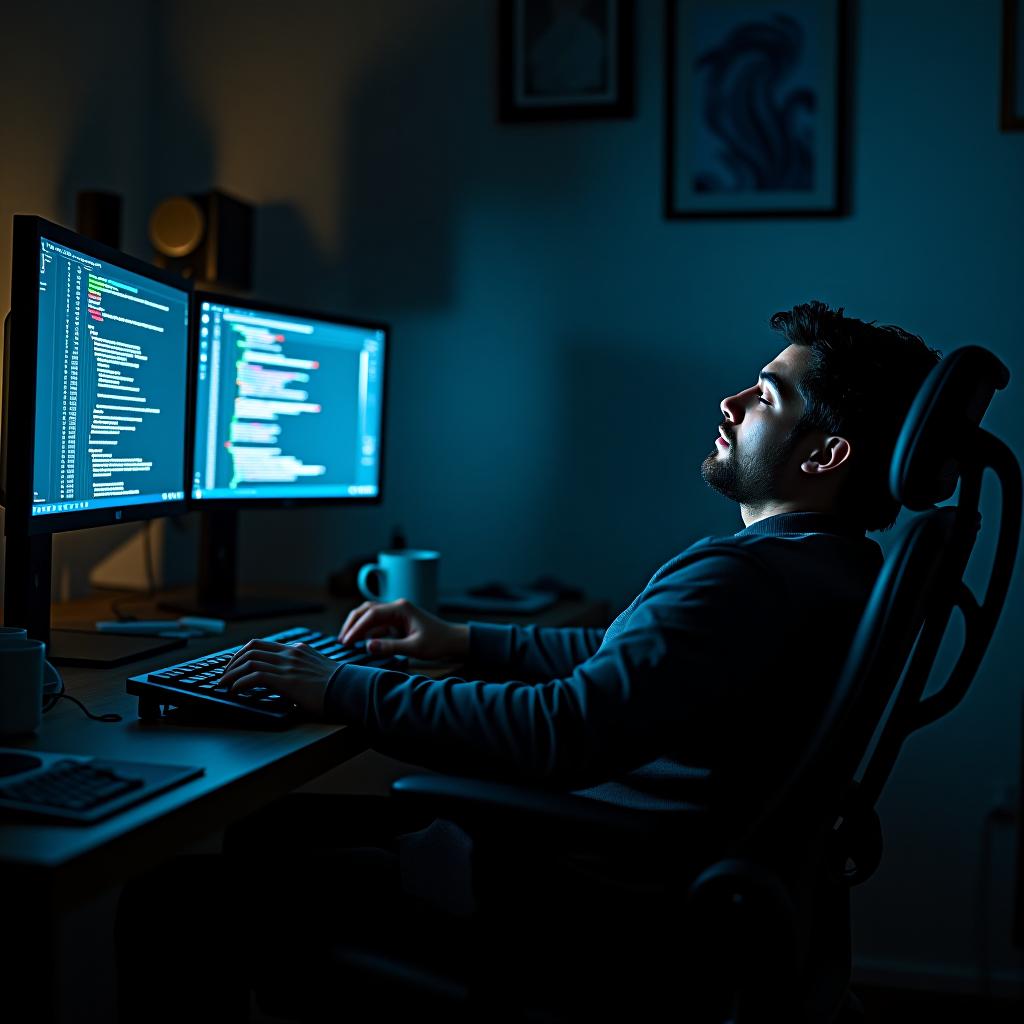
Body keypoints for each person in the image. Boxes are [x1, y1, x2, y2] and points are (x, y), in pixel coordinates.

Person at [116, 301, 940, 1021]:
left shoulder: (747, 575)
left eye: (765, 396)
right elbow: (640, 662)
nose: (730, 402)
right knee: (276, 829)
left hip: (586, 903)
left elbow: (566, 729)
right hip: (665, 883)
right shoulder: (834, 568)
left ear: (824, 455)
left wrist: (340, 684)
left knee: (179, 896)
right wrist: (464, 639)